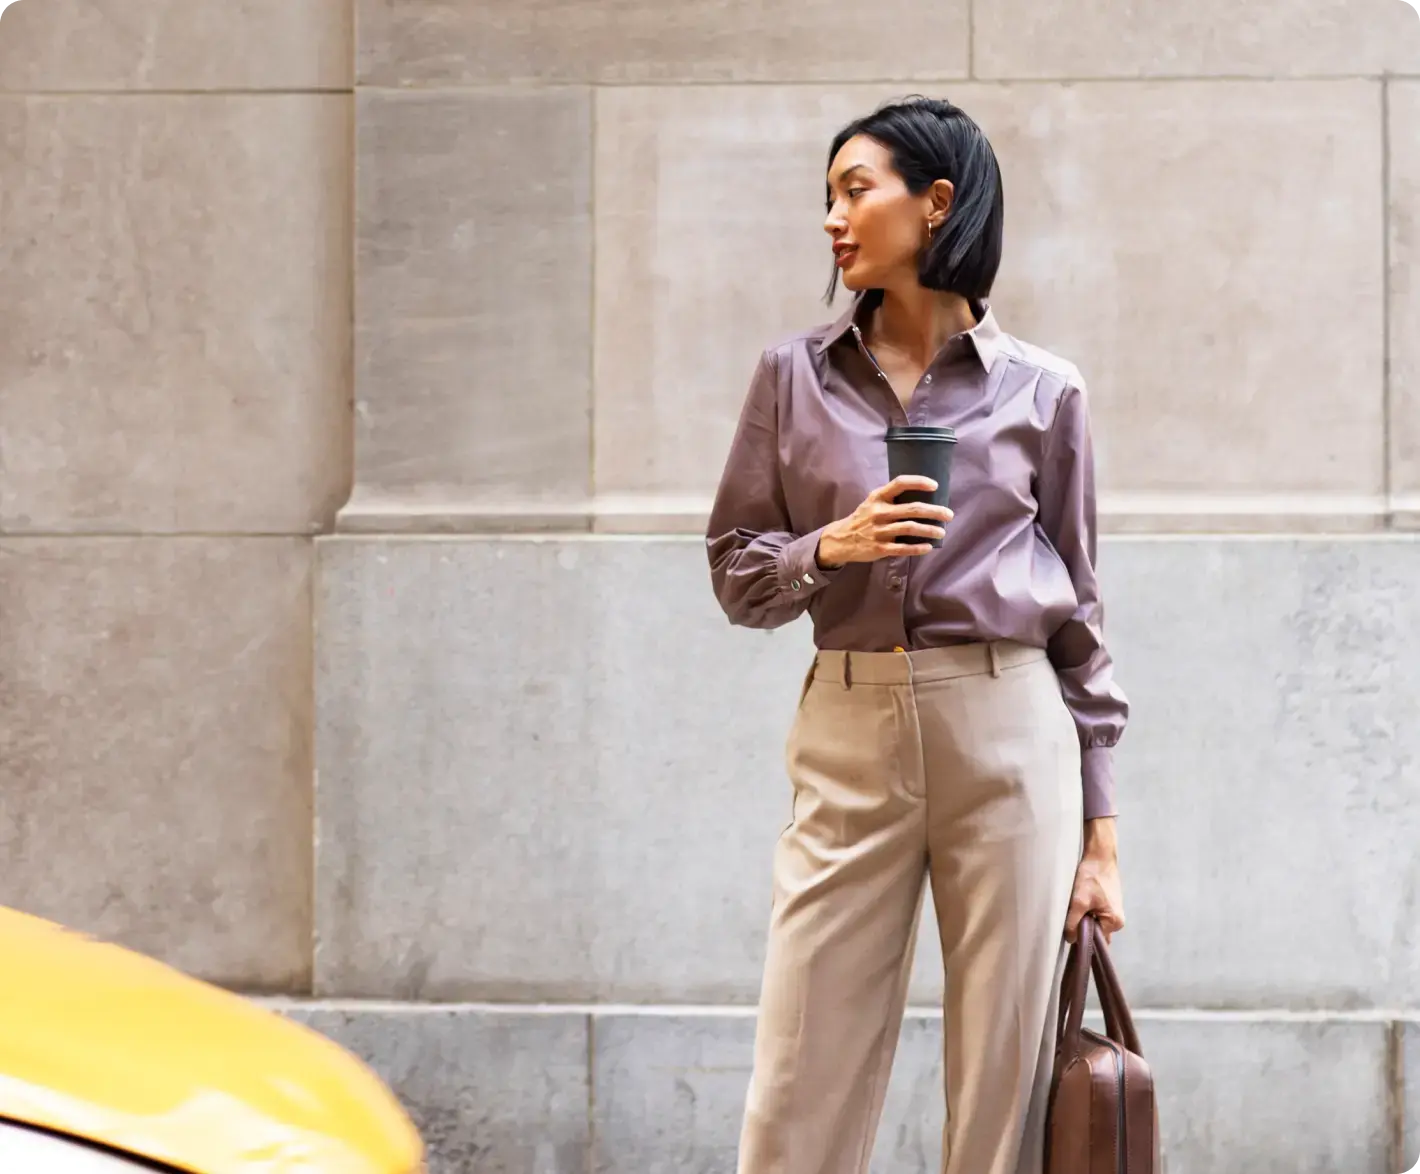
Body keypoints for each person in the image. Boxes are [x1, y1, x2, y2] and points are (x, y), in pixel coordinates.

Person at [705, 96, 1130, 1174]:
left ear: (935, 203)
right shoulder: (791, 377)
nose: (832, 220)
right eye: (828, 195)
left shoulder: (1044, 390)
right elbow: (737, 575)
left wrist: (1101, 836)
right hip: (848, 722)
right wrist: (830, 548)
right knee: (800, 1063)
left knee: (1005, 1077)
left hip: (1008, 722)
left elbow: (1080, 616)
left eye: (856, 189)